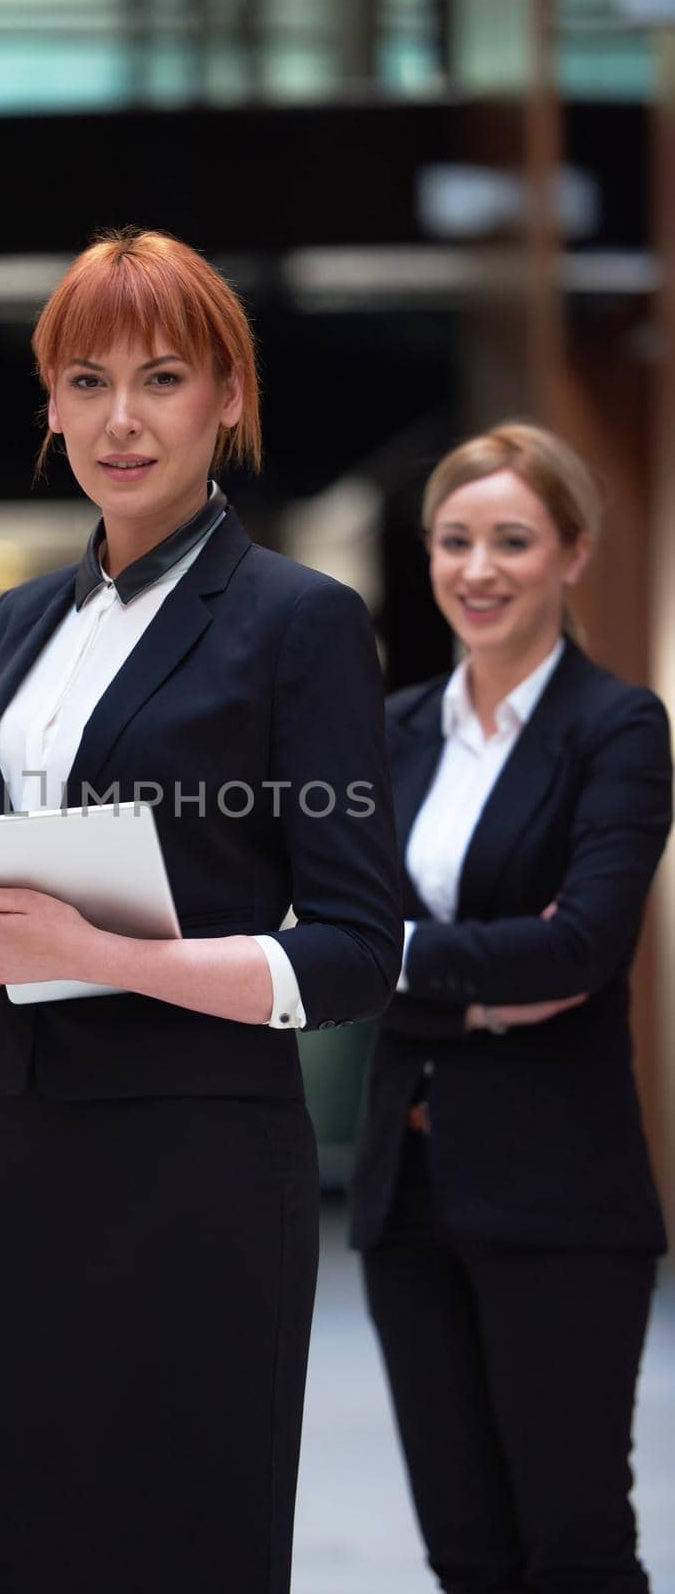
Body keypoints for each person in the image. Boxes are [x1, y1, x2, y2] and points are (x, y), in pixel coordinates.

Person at [0, 228, 403, 1594]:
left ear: (229, 399)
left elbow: (356, 953)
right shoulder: (20, 622)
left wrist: (104, 956)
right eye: (85, 381)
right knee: (19, 1527)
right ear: (50, 405)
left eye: (163, 378)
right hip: (18, 1144)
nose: (119, 420)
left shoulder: (297, 622)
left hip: (193, 1160)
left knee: (180, 1531)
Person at [351, 422, 672, 1594]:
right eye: (454, 540)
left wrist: (392, 963)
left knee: (575, 1546)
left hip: (559, 1195)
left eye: (513, 540)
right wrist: (483, 987)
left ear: (574, 554)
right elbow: (338, 939)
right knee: (468, 1553)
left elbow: (584, 946)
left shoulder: (617, 729)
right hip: (409, 1195)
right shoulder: (388, 735)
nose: (477, 569)